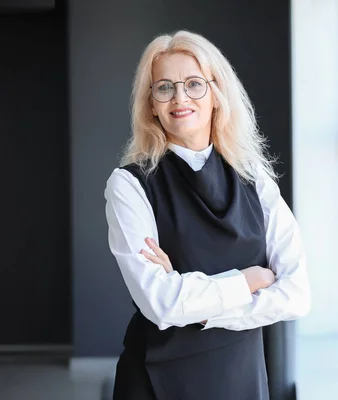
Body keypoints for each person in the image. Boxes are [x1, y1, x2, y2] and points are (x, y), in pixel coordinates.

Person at [104, 30, 311, 400]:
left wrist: (200, 308)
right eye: (164, 87)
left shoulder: (255, 178)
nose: (180, 97)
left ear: (217, 94)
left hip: (240, 378)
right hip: (156, 381)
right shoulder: (129, 185)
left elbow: (296, 295)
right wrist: (249, 280)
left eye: (194, 84)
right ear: (150, 103)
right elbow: (161, 303)